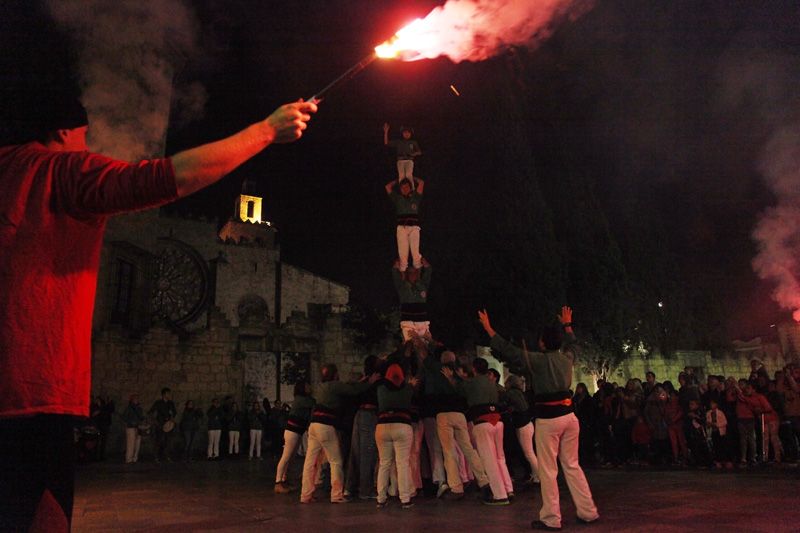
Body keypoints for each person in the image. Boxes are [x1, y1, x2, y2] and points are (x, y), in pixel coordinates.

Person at [0, 92, 316, 530]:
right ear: (60, 132)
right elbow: (164, 178)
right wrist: (266, 131)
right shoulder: (59, 170)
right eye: (84, 139)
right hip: (28, 399)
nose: (88, 149)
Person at [479, 306, 600, 530]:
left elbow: (510, 351)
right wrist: (567, 326)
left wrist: (489, 329)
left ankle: (551, 518)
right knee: (572, 465)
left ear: (543, 343)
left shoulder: (538, 360)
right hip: (570, 416)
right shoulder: (566, 359)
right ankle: (588, 511)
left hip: (549, 418)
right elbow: (574, 345)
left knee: (548, 470)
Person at [299, 365, 379, 504]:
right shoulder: (334, 386)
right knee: (336, 461)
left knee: (310, 462)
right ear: (335, 374)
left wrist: (361, 382)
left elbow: (349, 387)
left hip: (313, 426)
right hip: (325, 425)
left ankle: (305, 495)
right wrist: (369, 383)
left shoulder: (321, 387)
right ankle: (336, 495)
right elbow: (353, 391)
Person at [443, 357, 514, 505]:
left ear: (474, 369)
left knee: (489, 460)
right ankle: (508, 488)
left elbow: (458, 389)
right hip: (498, 420)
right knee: (500, 458)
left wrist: (451, 378)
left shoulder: (471, 383)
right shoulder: (492, 383)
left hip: (483, 422)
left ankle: (499, 495)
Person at [375, 364, 419, 509]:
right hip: (402, 425)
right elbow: (411, 391)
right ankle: (405, 499)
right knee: (402, 463)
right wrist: (411, 384)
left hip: (382, 426)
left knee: (384, 463)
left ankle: (381, 498)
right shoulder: (407, 389)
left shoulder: (381, 390)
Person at [344, 356, 380, 500]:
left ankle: (349, 488)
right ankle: (365, 490)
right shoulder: (375, 381)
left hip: (358, 415)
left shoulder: (362, 381)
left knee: (356, 452)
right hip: (369, 415)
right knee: (367, 453)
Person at [275, 381, 315, 493]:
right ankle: (278, 482)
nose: (309, 387)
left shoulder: (302, 400)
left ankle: (284, 480)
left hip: (297, 431)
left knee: (290, 457)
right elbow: (313, 403)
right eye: (307, 386)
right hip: (292, 431)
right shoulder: (301, 399)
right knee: (286, 456)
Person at [505, 374, 540, 483]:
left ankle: (540, 476)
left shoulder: (512, 394)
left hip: (522, 425)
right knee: (530, 452)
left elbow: (519, 408)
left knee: (529, 453)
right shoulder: (521, 393)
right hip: (527, 424)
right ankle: (535, 475)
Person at [385, 178, 425, 272]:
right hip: (402, 228)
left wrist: (411, 177)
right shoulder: (398, 198)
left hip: (414, 228)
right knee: (402, 255)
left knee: (416, 254)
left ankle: (418, 276)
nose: (404, 189)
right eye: (402, 188)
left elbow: (421, 183)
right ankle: (402, 278)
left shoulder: (416, 197)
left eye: (406, 187)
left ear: (410, 188)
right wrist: (397, 180)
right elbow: (387, 187)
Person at [392, 258, 432, 341]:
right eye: (410, 272)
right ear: (407, 274)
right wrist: (396, 267)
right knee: (423, 345)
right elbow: (395, 275)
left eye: (415, 272)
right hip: (413, 323)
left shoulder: (422, 285)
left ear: (418, 273)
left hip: (418, 320)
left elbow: (428, 273)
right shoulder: (402, 287)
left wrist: (426, 265)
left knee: (414, 345)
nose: (412, 274)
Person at [148, 387, 177, 462]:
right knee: (159, 440)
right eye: (168, 393)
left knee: (168, 441)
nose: (169, 395)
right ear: (164, 394)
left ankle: (167, 456)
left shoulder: (171, 403)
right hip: (160, 424)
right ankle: (156, 457)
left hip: (169, 425)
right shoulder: (158, 403)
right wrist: (155, 421)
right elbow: (151, 411)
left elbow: (174, 412)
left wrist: (172, 418)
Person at [122, 394, 145, 464]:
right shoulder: (128, 408)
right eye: (135, 398)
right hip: (131, 428)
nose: (137, 400)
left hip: (138, 427)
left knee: (137, 444)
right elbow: (124, 417)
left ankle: (135, 458)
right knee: (130, 444)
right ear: (132, 400)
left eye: (137, 398)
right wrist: (131, 422)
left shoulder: (139, 409)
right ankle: (129, 459)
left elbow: (141, 417)